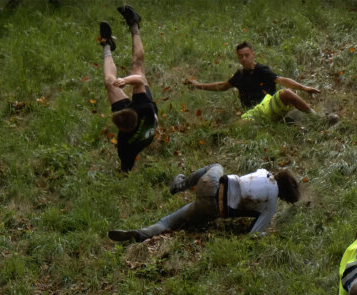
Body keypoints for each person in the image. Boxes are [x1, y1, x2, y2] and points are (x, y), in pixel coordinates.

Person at [108, 164, 300, 242]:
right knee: (169, 222)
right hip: (213, 208)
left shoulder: (265, 172)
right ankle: (142, 234)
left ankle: (180, 184)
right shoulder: (271, 206)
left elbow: (252, 178)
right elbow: (255, 234)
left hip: (210, 184)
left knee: (216, 166)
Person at [185, 42, 322, 123]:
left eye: (246, 55)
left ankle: (316, 117)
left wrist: (304, 88)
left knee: (286, 93)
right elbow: (222, 86)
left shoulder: (261, 69)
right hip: (253, 114)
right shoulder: (239, 75)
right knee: (238, 127)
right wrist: (197, 85)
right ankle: (285, 121)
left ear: (253, 55)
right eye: (240, 56)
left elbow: (282, 80)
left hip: (267, 105)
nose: (244, 59)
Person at [99, 5, 158, 172]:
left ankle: (107, 45)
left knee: (110, 82)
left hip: (140, 127)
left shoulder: (124, 146)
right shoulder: (144, 108)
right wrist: (125, 81)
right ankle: (134, 25)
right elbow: (139, 81)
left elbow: (125, 170)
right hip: (147, 116)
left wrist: (120, 81)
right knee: (137, 66)